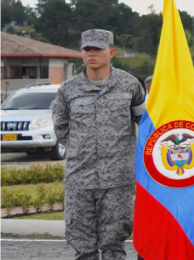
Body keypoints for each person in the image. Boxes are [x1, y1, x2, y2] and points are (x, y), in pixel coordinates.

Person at [50, 29, 147, 260]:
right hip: (80, 178)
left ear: (111, 52)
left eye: (97, 49)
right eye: (87, 49)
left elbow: (145, 123)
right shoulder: (68, 89)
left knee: (114, 243)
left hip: (117, 178)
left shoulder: (130, 85)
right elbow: (61, 126)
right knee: (82, 243)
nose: (91, 53)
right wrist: (80, 149)